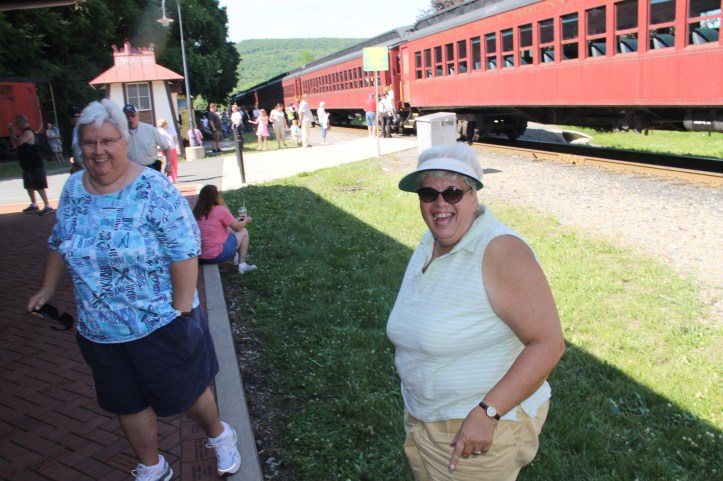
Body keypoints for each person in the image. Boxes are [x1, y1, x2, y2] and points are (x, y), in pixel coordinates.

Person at [26, 99, 241, 481]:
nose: (99, 150)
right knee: (127, 402)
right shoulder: (73, 189)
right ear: (79, 146)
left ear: (125, 142)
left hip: (159, 322)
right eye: (90, 142)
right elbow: (59, 241)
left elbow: (184, 251)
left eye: (108, 141)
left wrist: (181, 312)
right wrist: (46, 288)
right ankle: (152, 466)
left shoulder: (154, 190)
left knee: (186, 392)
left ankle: (220, 434)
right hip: (99, 329)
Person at [386, 142, 565, 481]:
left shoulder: (501, 251)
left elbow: (548, 343)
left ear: (474, 195)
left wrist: (488, 412)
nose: (440, 203)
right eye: (428, 193)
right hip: (424, 420)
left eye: (453, 192)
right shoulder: (431, 242)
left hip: (475, 430)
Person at [193, 184, 257, 275]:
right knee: (244, 232)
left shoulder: (196, 211)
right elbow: (238, 227)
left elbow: (223, 226)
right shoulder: (220, 210)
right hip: (215, 255)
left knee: (228, 230)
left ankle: (236, 257)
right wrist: (246, 220)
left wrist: (236, 220)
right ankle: (242, 265)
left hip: (199, 257)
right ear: (216, 196)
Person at [8, 114, 54, 215]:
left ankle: (48, 205)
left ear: (21, 122)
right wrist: (12, 135)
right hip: (26, 164)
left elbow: (18, 142)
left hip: (34, 163)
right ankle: (34, 204)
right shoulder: (23, 133)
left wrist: (12, 133)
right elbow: (15, 145)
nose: (16, 125)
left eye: (16, 123)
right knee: (28, 185)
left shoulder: (28, 132)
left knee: (39, 185)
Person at [123, 104, 171, 172]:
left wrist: (168, 164)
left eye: (132, 115)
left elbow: (166, 147)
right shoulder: (120, 134)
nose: (130, 118)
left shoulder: (150, 129)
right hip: (131, 171)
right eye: (127, 116)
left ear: (138, 116)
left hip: (151, 169)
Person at [68, 106, 84, 174]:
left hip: (85, 166)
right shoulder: (75, 129)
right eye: (76, 116)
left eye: (79, 116)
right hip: (79, 166)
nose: (78, 118)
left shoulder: (85, 129)